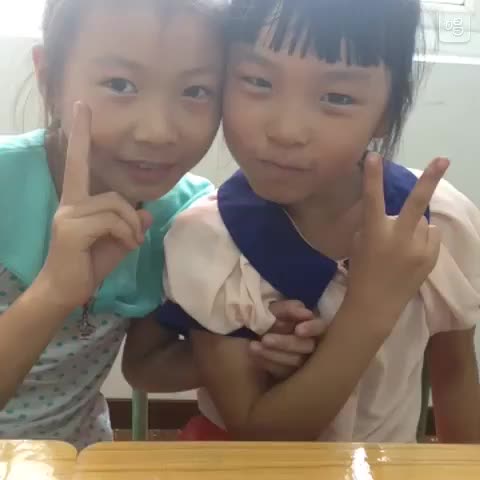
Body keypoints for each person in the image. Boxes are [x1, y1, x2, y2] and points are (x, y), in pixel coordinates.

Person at [127, 0, 480, 442]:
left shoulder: (435, 222)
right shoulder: (210, 242)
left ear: (386, 112)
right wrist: (369, 308)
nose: (287, 131)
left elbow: (455, 373)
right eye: (258, 81)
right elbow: (259, 435)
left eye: (337, 97)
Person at [0, 0, 320, 450]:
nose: (158, 131)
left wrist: (252, 347)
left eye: (196, 91)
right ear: (49, 77)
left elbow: (145, 367)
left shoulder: (184, 217)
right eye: (120, 84)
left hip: (75, 457)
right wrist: (52, 293)